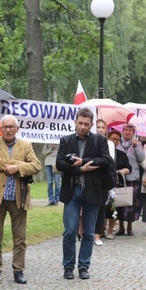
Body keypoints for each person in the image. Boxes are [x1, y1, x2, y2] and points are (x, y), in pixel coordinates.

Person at [56, 107, 113, 280]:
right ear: (75, 122)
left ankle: (83, 266)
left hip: (92, 190)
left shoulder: (99, 141)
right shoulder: (66, 140)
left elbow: (106, 160)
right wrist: (80, 168)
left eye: (86, 124)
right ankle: (68, 267)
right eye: (80, 123)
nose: (82, 127)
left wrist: (86, 161)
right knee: (70, 230)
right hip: (72, 190)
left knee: (88, 232)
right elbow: (59, 164)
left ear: (91, 125)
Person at [0, 115, 41, 285]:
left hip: (19, 197)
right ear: (0, 129)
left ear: (17, 128)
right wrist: (18, 163)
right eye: (5, 127)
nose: (8, 130)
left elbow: (36, 166)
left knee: (20, 238)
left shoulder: (26, 145)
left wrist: (17, 167)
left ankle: (18, 270)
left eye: (11, 126)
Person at [116, 124, 145, 236]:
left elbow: (142, 158)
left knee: (131, 203)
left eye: (130, 130)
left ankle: (130, 226)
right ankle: (121, 226)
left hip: (133, 176)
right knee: (120, 201)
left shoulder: (137, 144)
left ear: (133, 132)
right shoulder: (118, 143)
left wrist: (137, 146)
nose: (127, 132)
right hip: (120, 176)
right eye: (126, 130)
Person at [107, 129, 132, 239]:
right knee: (102, 209)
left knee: (114, 208)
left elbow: (129, 168)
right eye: (113, 139)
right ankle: (100, 230)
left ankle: (110, 231)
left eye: (117, 139)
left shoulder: (121, 154)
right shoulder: (103, 152)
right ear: (108, 139)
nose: (115, 141)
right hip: (103, 184)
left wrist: (118, 172)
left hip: (116, 183)